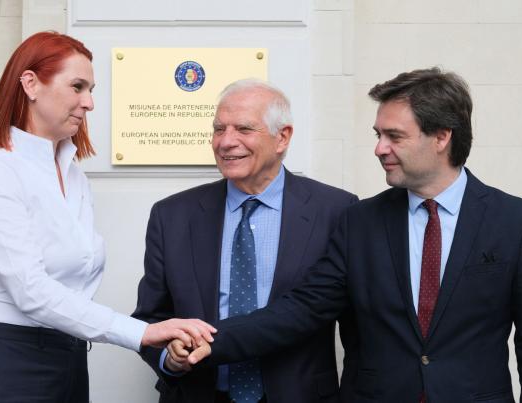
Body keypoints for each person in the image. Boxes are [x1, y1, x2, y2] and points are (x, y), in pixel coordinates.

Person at [175, 67, 522, 402]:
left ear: (442, 137)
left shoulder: (516, 222)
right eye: (378, 134)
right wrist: (206, 339)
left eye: (394, 136)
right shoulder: (359, 221)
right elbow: (301, 309)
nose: (379, 148)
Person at [0, 31, 215, 403]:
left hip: (68, 358)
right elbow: (31, 292)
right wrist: (141, 332)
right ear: (30, 84)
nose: (88, 102)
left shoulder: (74, 177)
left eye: (91, 89)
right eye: (77, 87)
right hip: (5, 362)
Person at [132, 79, 358, 403]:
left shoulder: (336, 210)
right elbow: (151, 317)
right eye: (219, 129)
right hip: (199, 393)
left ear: (283, 137)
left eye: (243, 129)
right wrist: (169, 358)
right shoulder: (172, 215)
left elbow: (355, 326)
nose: (226, 142)